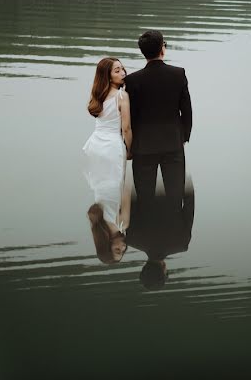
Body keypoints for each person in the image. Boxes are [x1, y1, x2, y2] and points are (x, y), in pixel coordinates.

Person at [123, 30, 193, 210]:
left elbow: (129, 117)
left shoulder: (132, 80)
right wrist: (183, 137)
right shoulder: (178, 74)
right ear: (162, 49)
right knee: (175, 194)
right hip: (172, 143)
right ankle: (175, 230)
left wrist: (129, 146)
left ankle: (146, 232)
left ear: (143, 52)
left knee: (144, 198)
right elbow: (186, 110)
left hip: (143, 145)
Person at [82, 57, 133, 263]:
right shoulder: (122, 96)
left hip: (94, 146)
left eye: (122, 69)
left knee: (102, 185)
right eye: (117, 71)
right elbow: (127, 128)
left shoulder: (98, 94)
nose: (123, 73)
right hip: (112, 147)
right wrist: (131, 150)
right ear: (108, 76)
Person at [125, 180, 195, 290]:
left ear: (164, 270)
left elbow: (189, 204)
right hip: (143, 177)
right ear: (144, 267)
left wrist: (186, 178)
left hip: (173, 179)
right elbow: (130, 200)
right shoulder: (131, 239)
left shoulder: (182, 243)